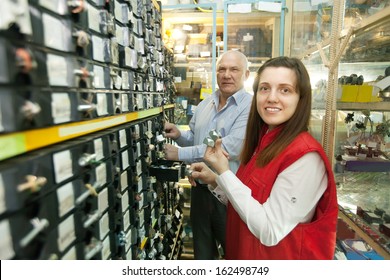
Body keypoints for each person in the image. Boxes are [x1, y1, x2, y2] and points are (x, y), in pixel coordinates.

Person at [189, 56, 338, 260]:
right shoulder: (265, 142)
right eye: (265, 88)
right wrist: (216, 180)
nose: (272, 98)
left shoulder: (305, 157)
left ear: (300, 98)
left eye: (285, 90)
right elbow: (250, 202)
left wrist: (224, 172)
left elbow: (269, 230)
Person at [163, 50, 253, 259]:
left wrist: (179, 153)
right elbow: (195, 138)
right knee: (202, 253)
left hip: (228, 195)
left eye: (234, 69)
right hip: (200, 191)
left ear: (246, 75)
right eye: (222, 69)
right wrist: (178, 136)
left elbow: (226, 150)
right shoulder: (205, 104)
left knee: (235, 254)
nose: (226, 74)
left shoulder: (250, 109)